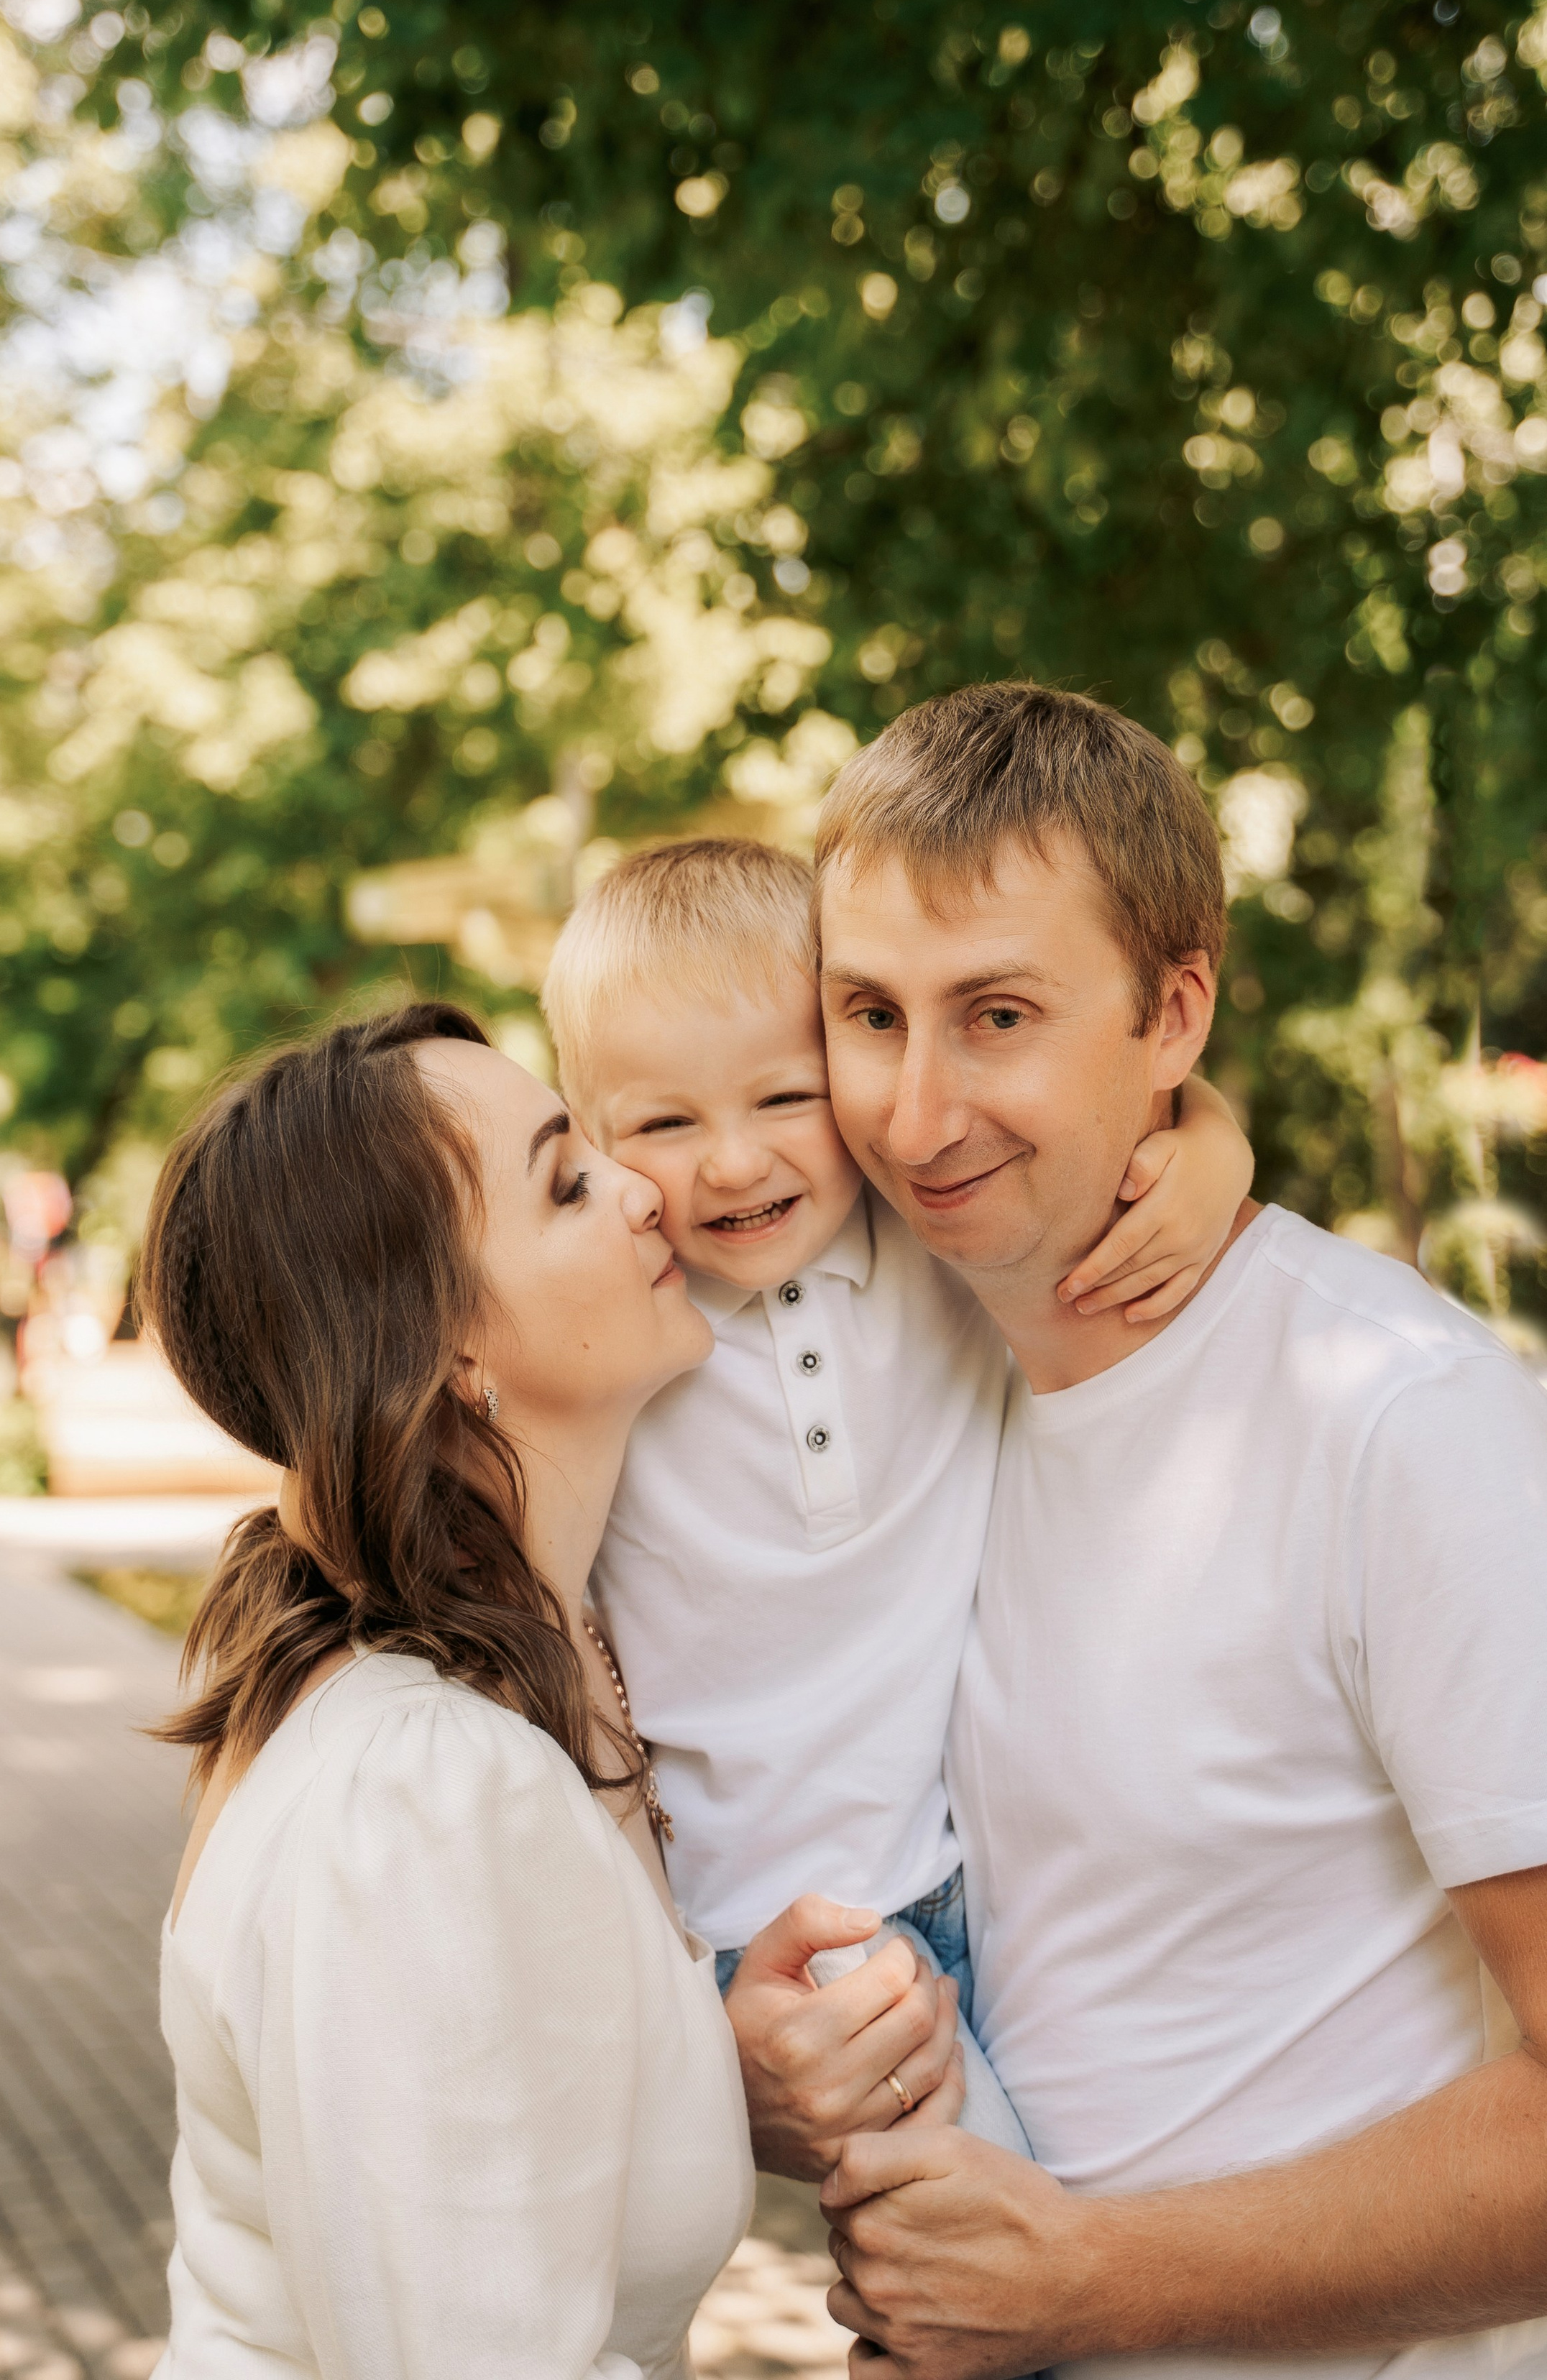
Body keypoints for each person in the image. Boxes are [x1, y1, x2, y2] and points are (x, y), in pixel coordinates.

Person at [763, 680, 1547, 2380]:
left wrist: (1089, 2283)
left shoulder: (1398, 1422)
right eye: (866, 1015)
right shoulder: (895, 1371)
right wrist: (754, 2073)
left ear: (1171, 1014)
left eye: (996, 1016)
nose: (909, 1115)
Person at [541, 835, 1253, 2151]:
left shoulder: (936, 1244)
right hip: (779, 1929)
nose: (737, 1166)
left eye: (783, 1099)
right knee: (985, 2228)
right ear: (590, 1130)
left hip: (978, 1878)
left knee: (1075, 2200)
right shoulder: (621, 1320)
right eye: (665, 1124)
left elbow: (1122, 1141)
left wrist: (1211, 1145)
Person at [135, 1002, 754, 2380]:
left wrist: (723, 2065)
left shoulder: (555, 1655)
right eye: (568, 1181)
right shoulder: (419, 1789)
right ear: (447, 1353)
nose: (649, 1186)